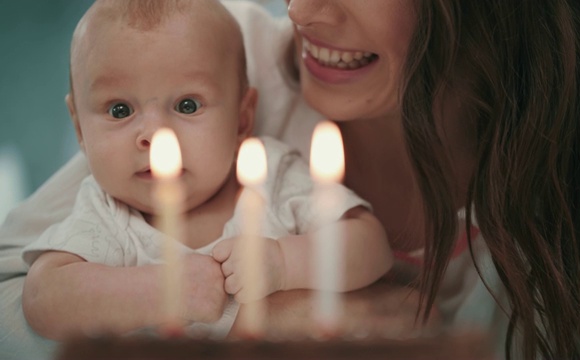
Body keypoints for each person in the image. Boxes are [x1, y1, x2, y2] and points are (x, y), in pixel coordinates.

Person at [1, 0, 580, 359]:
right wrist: (277, 315)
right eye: (117, 114)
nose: (300, 8)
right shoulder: (201, 59)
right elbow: (19, 291)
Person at [18, 0, 392, 344]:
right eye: (120, 110)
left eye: (187, 104)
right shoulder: (106, 215)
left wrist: (283, 262)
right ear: (80, 129)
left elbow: (370, 245)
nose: (155, 136)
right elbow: (41, 298)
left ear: (242, 117)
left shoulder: (269, 176)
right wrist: (161, 291)